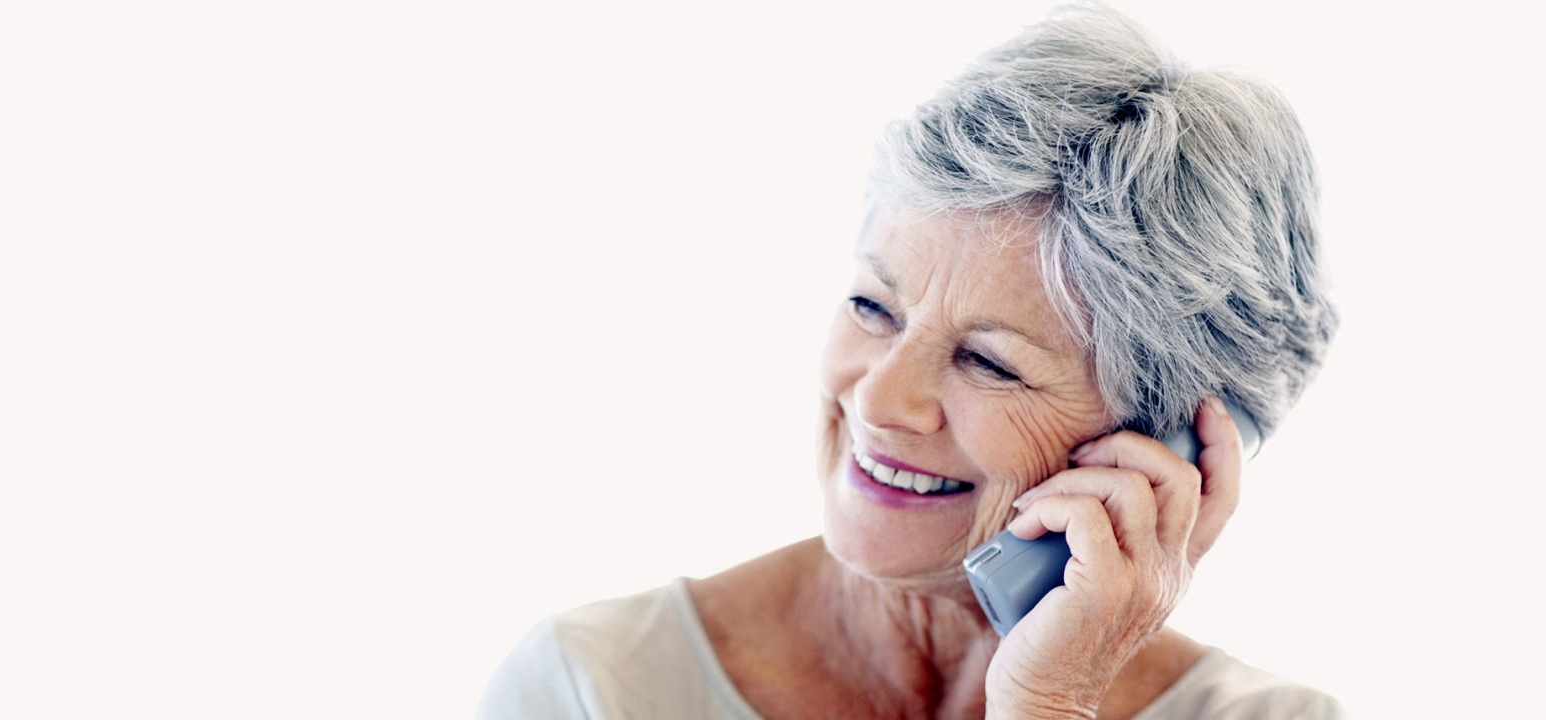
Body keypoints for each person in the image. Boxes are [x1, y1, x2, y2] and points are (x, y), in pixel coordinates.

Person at [476, 3, 1341, 718]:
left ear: (1169, 450)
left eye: (989, 363)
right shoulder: (591, 687)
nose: (883, 399)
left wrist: (1049, 703)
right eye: (872, 307)